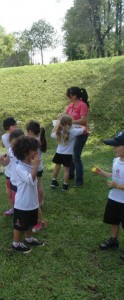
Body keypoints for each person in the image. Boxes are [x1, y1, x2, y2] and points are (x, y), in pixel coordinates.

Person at [93, 131, 124, 260]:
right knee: (114, 221)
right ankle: (113, 240)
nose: (113, 148)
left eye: (116, 146)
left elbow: (117, 182)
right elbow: (114, 175)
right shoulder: (116, 160)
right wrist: (102, 173)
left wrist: (117, 186)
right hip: (114, 198)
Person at [11, 136, 45, 253]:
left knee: (31, 223)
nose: (37, 152)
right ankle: (15, 244)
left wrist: (35, 164)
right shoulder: (19, 167)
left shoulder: (31, 163)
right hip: (22, 204)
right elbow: (30, 180)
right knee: (19, 226)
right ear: (26, 152)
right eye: (34, 150)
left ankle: (29, 238)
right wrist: (35, 165)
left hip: (32, 202)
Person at [60, 87, 90, 187]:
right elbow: (66, 114)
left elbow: (83, 120)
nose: (68, 97)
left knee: (76, 156)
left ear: (74, 96)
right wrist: (62, 116)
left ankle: (79, 180)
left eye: (69, 95)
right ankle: (71, 174)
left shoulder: (82, 105)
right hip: (72, 132)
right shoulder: (72, 104)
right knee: (71, 154)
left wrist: (70, 121)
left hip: (82, 133)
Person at [51, 114, 85, 191]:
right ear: (70, 123)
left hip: (58, 153)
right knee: (66, 170)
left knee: (57, 167)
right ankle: (65, 186)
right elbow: (84, 129)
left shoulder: (58, 132)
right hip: (68, 154)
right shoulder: (73, 131)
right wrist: (77, 126)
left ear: (60, 123)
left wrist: (57, 125)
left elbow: (51, 134)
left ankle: (53, 181)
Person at [26, 120, 48, 232]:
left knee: (35, 186)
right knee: (39, 184)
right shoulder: (40, 139)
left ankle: (37, 203)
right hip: (40, 167)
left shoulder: (32, 141)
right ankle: (41, 201)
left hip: (34, 167)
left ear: (30, 131)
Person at [0, 129, 24, 216]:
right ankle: (15, 210)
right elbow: (6, 163)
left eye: (16, 144)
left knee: (24, 201)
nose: (13, 146)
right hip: (14, 179)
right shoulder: (10, 150)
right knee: (14, 198)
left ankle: (28, 216)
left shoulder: (25, 152)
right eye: (12, 144)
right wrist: (1, 160)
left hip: (23, 181)